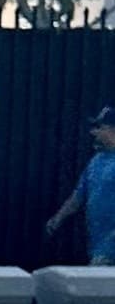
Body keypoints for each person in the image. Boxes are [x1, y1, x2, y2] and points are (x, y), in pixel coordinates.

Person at [46, 107, 115, 264]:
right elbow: (79, 195)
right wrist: (57, 219)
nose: (93, 133)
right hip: (99, 243)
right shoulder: (96, 161)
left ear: (113, 130)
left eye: (99, 128)